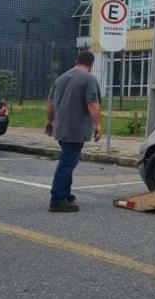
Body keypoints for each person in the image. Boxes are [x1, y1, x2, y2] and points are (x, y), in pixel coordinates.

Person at [45, 50, 102, 213]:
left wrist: (49, 121)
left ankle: (65, 193)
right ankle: (57, 198)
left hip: (61, 127)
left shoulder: (61, 78)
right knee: (67, 162)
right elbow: (92, 103)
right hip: (76, 128)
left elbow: (50, 102)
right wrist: (98, 125)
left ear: (76, 60)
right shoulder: (89, 78)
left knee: (69, 159)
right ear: (91, 64)